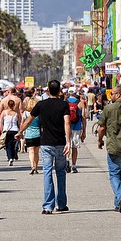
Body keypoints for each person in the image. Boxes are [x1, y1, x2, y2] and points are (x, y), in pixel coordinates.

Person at [16, 80, 71, 214]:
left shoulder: (41, 104)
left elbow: (28, 120)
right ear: (59, 91)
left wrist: (20, 132)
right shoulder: (64, 105)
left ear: (47, 90)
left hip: (46, 143)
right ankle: (61, 203)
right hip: (60, 143)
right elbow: (67, 122)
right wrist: (68, 141)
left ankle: (48, 206)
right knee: (60, 173)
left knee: (47, 172)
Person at [66, 87, 86, 173]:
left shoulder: (65, 102)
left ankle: (67, 160)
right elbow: (84, 117)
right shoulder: (80, 103)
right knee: (74, 147)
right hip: (77, 127)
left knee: (67, 145)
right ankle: (74, 165)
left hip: (67, 127)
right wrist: (84, 130)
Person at [23, 95, 41, 174]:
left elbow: (23, 123)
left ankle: (32, 166)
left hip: (28, 134)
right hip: (37, 134)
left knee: (31, 151)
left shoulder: (26, 113)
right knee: (36, 152)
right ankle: (36, 168)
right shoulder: (39, 114)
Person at [0, 99, 20, 165]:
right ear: (14, 105)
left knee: (8, 145)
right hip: (15, 130)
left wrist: (2, 130)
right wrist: (20, 131)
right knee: (13, 145)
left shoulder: (4, 112)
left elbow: (1, 122)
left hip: (6, 130)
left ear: (7, 105)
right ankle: (13, 156)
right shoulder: (16, 114)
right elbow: (19, 123)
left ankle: (10, 157)